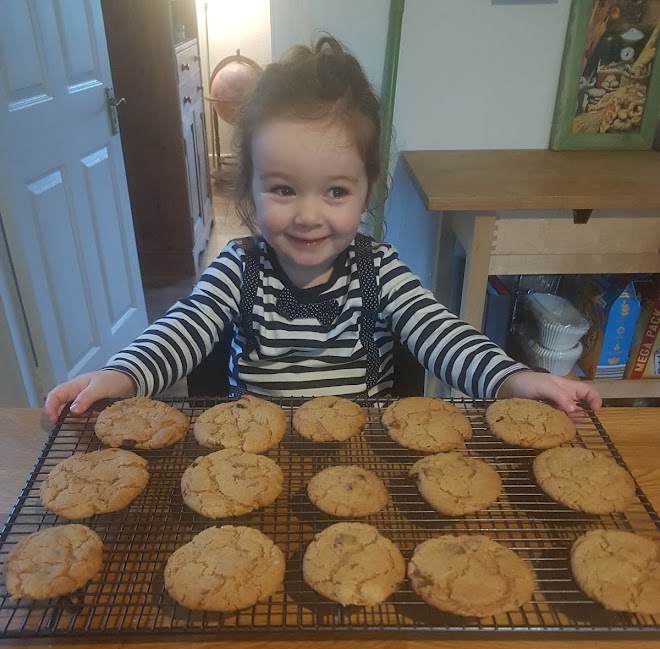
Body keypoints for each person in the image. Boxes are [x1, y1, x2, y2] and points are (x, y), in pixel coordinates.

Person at [44, 36, 601, 423]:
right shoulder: (238, 271)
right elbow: (181, 330)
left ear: (367, 190)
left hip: (362, 467)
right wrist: (120, 375)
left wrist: (512, 378)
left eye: (335, 192)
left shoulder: (380, 271)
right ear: (249, 189)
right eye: (284, 189)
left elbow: (442, 334)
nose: (309, 216)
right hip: (254, 468)